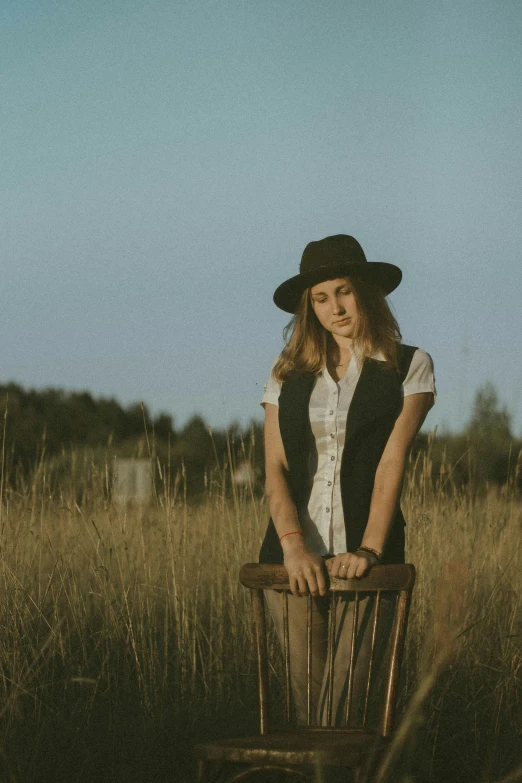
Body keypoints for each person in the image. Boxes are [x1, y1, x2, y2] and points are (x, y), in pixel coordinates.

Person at [259, 234, 435, 726]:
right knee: (306, 709)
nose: (334, 308)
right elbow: (275, 468)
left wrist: (370, 551)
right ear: (308, 307)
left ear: (366, 292)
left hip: (365, 560)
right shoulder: (286, 374)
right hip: (291, 561)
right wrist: (293, 546)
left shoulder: (408, 365)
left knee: (345, 708)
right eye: (320, 298)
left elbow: (391, 462)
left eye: (343, 292)